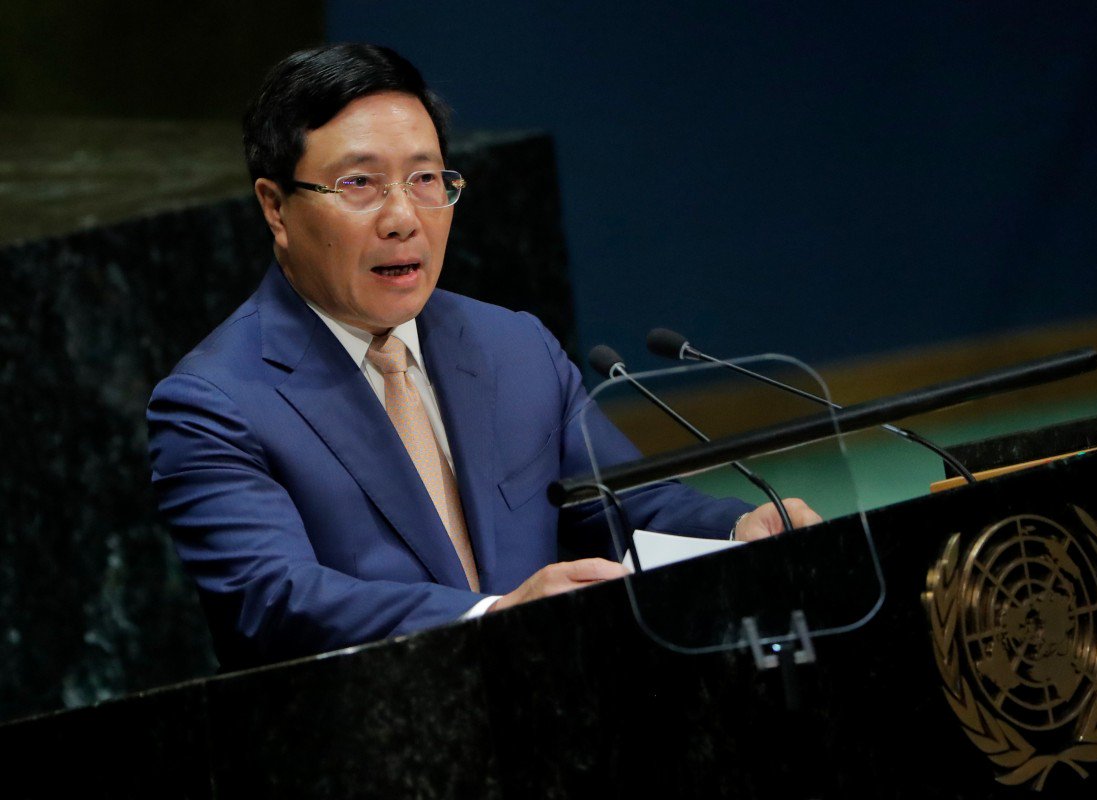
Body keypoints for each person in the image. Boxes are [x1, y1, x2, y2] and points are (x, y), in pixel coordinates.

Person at [147, 43, 818, 670]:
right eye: (359, 184)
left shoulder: (511, 347)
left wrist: (736, 528)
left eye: (426, 178)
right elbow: (277, 600)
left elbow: (621, 508)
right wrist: (495, 617)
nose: (403, 216)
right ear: (276, 207)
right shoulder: (215, 404)